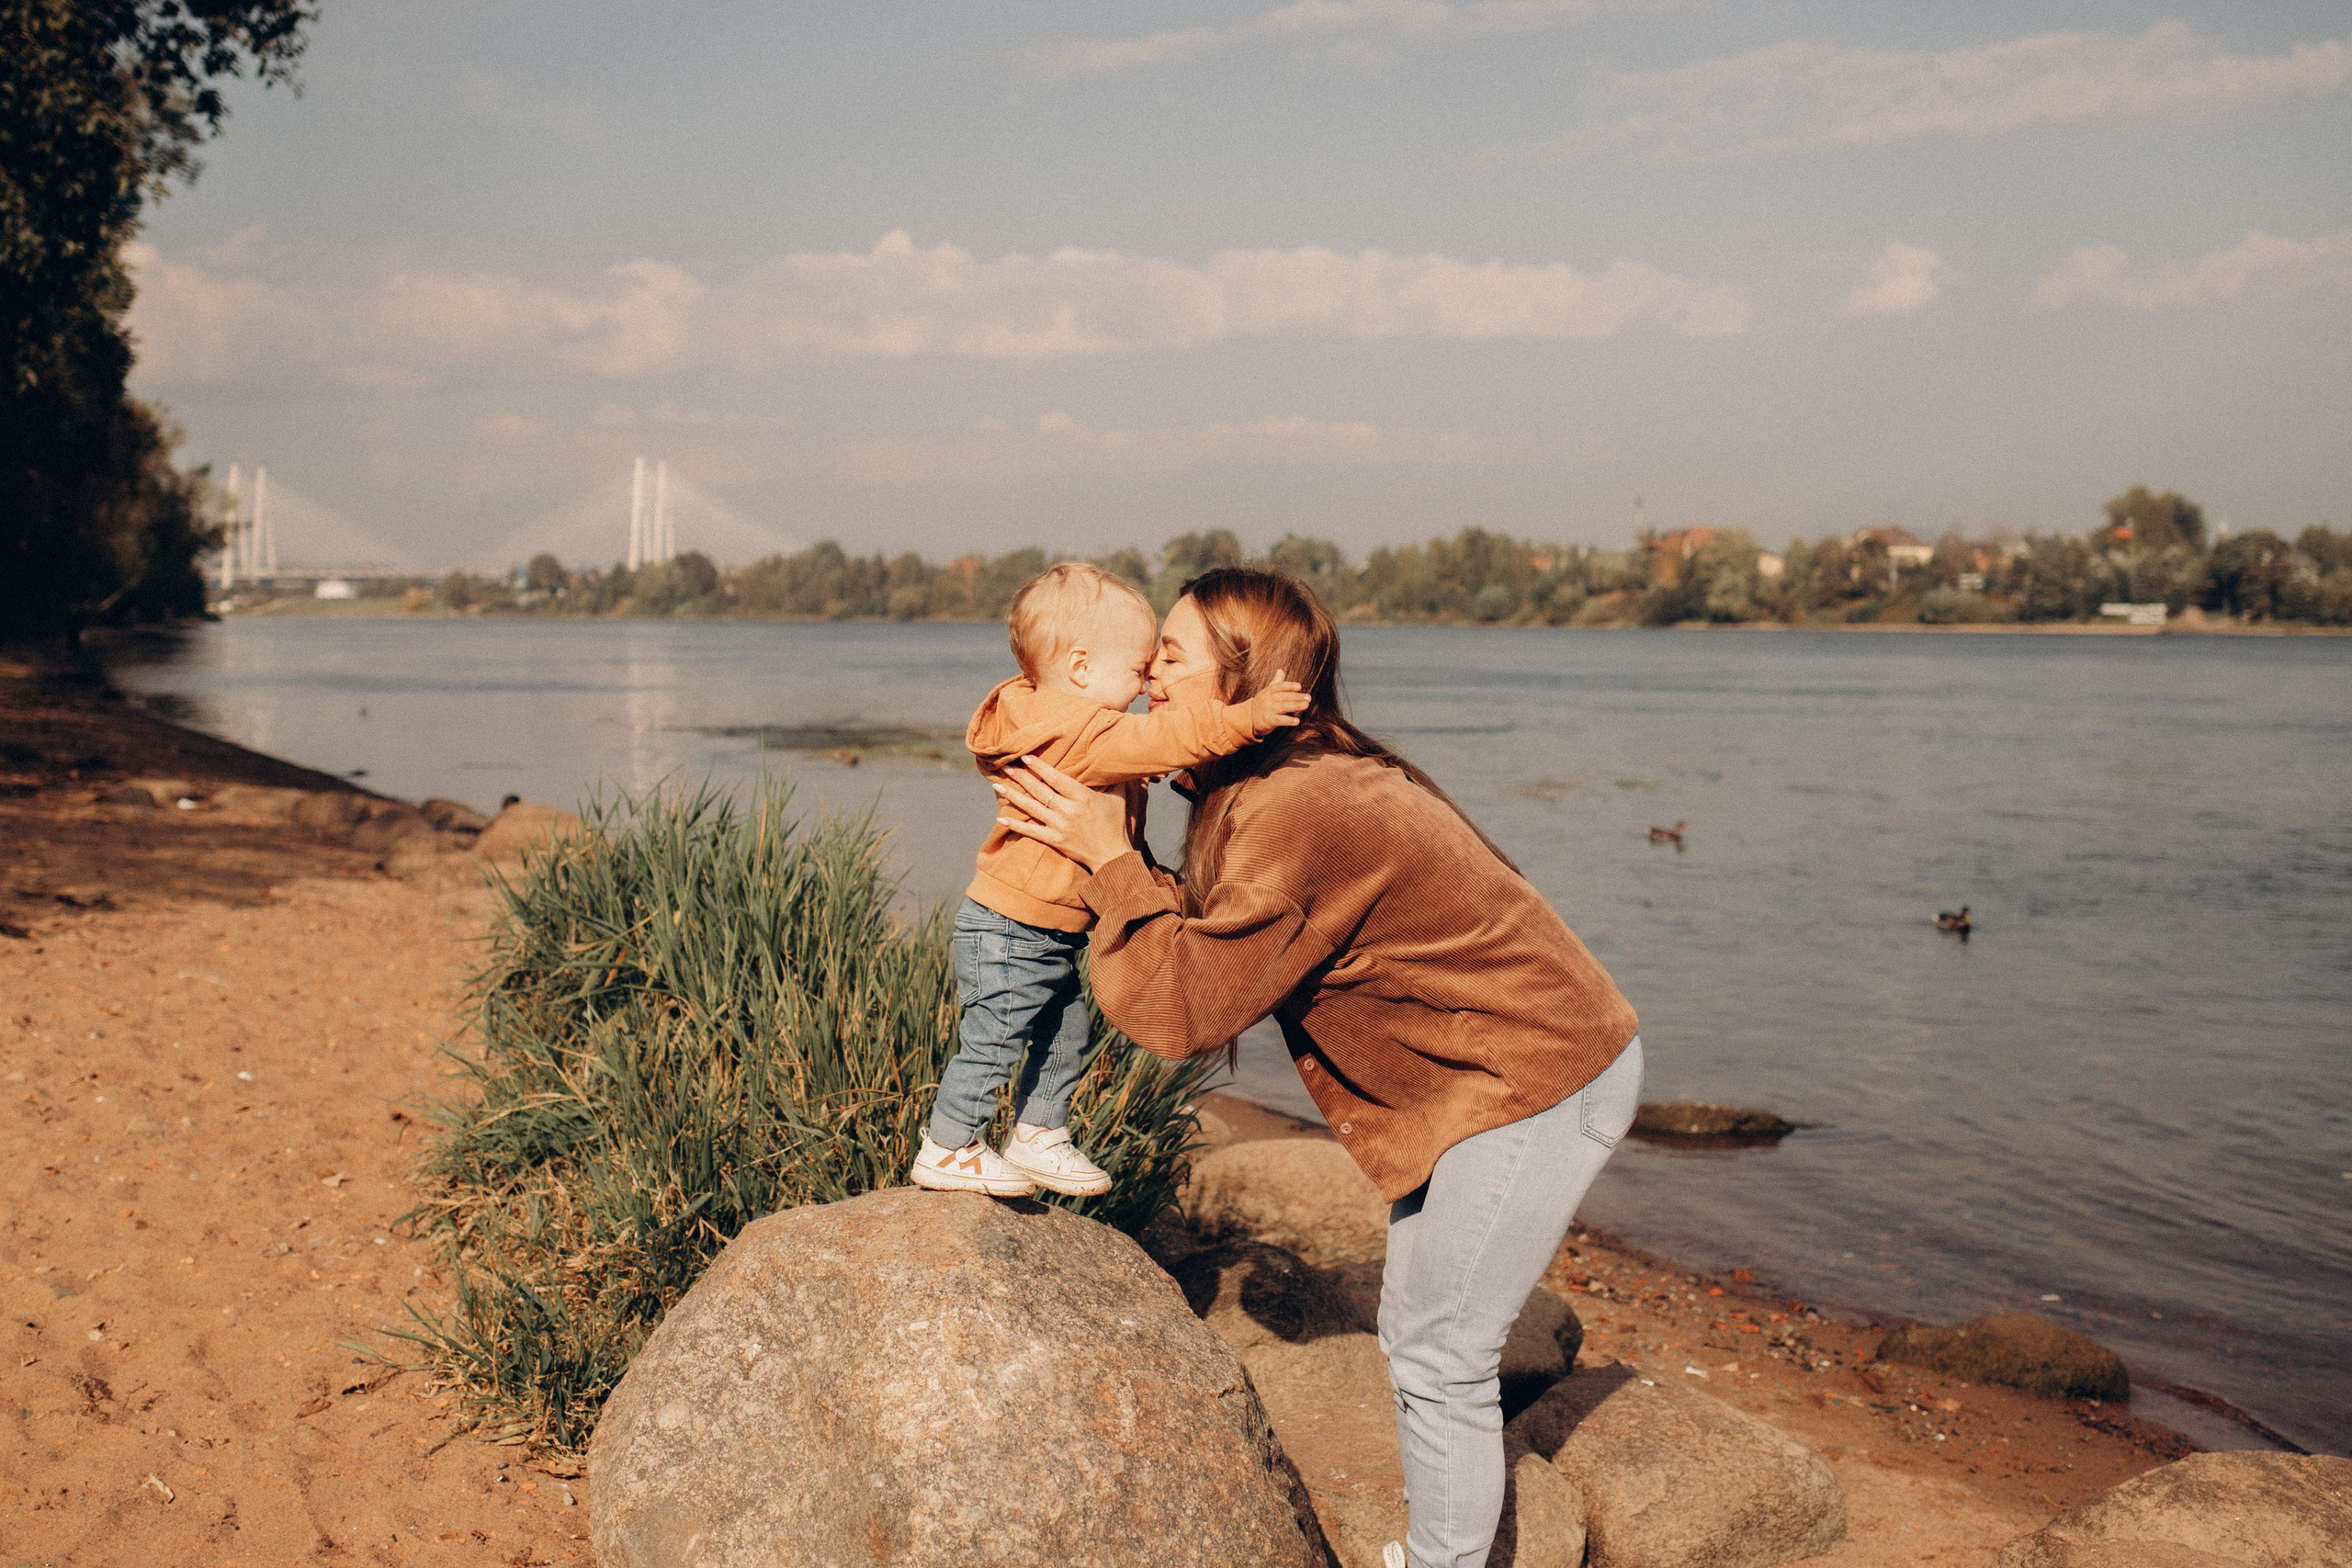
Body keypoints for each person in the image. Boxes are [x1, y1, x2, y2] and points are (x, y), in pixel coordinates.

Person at [989, 566, 1643, 1568]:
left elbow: (1187, 1006)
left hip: (1537, 1080)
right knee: (1421, 1339)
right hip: (1481, 1080)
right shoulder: (1276, 782)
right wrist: (1107, 847)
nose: (1148, 675)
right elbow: (1212, 946)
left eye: (1171, 655)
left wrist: (1109, 856)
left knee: (1441, 1349)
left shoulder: (1300, 804)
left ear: (1247, 676)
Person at [910, 561, 1309, 1199]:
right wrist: (1251, 716)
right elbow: (1175, 736)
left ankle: (1038, 1132)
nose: (1147, 681)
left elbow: (1126, 756)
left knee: (1065, 1033)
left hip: (1041, 929)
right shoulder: (1082, 729)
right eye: (1137, 668)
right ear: (1081, 668)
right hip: (1014, 928)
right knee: (995, 1038)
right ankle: (949, 1143)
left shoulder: (1050, 717)